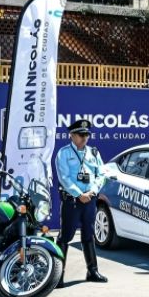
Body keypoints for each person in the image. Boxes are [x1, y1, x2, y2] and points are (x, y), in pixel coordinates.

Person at [55, 119, 107, 287]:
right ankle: (57, 275)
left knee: (88, 234)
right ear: (72, 135)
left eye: (87, 135)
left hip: (90, 200)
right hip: (72, 201)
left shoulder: (94, 152)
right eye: (81, 135)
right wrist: (79, 194)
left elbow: (101, 174)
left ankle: (92, 271)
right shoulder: (63, 153)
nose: (85, 138)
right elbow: (64, 178)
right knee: (66, 236)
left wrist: (92, 191)